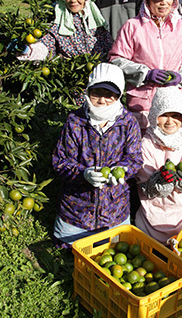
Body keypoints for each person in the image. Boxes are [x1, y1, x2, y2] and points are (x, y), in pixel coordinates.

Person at [52, 62, 142, 247]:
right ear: (88, 92)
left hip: (114, 209)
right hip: (76, 210)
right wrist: (83, 174)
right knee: (69, 248)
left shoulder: (128, 123)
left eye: (110, 95)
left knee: (115, 249)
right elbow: (59, 162)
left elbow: (135, 159)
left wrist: (123, 170)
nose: (102, 100)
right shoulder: (75, 121)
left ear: (119, 96)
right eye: (97, 93)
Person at [109, 0, 182, 131]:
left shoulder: (179, 26)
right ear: (147, 0)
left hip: (171, 101)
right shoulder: (133, 26)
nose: (163, 2)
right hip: (142, 102)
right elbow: (116, 60)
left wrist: (181, 76)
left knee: (170, 148)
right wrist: (146, 73)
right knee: (144, 148)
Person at [135, 86, 182, 244]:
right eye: (164, 115)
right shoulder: (146, 143)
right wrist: (161, 181)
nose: (170, 121)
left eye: (175, 115)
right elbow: (146, 187)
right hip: (157, 211)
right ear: (155, 115)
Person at [17, 0, 112, 62]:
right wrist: (27, 50)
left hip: (98, 73)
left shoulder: (95, 20)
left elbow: (109, 48)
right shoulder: (59, 18)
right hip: (69, 73)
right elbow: (47, 44)